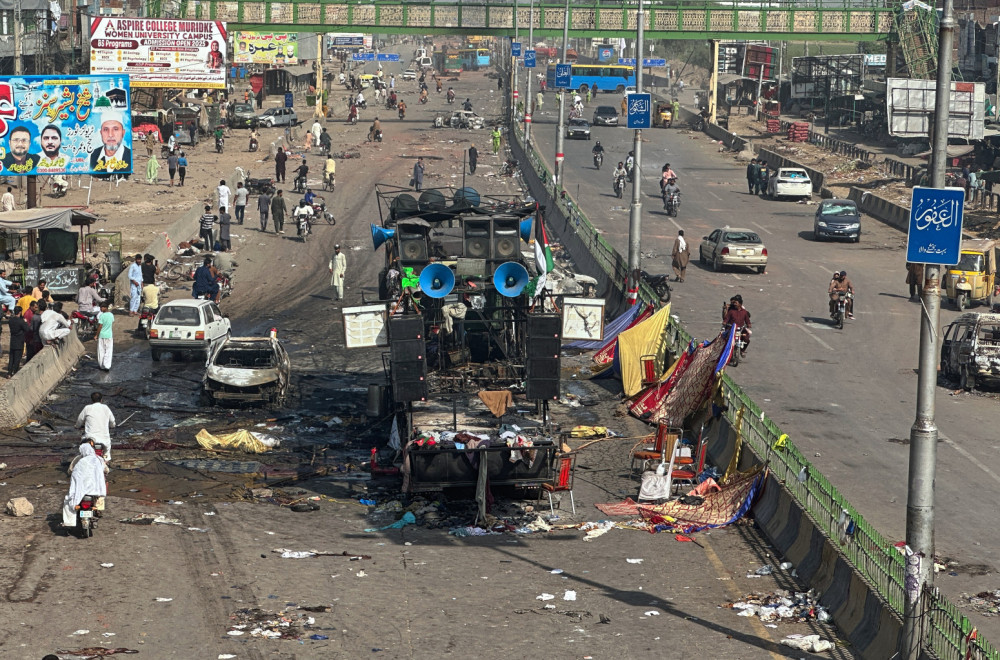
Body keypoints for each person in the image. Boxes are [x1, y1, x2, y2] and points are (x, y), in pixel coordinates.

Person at [61, 441, 107, 529]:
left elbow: (75, 475)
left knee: (68, 501)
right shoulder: (98, 460)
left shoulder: (80, 461)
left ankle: (69, 522)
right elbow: (102, 473)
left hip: (81, 490)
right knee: (98, 502)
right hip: (95, 490)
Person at [7, 306, 26, 377]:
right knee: (17, 358)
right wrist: (25, 322)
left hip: (13, 341)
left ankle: (9, 372)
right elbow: (27, 329)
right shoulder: (21, 321)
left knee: (11, 357)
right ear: (20, 312)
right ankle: (15, 372)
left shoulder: (10, 320)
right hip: (19, 341)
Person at [95, 302, 114, 371]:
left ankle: (101, 365)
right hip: (109, 335)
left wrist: (96, 335)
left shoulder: (102, 316)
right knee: (108, 351)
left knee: (101, 350)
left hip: (102, 335)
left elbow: (100, 326)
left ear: (105, 308)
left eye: (101, 307)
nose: (100, 309)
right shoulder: (111, 315)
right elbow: (111, 323)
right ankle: (107, 366)